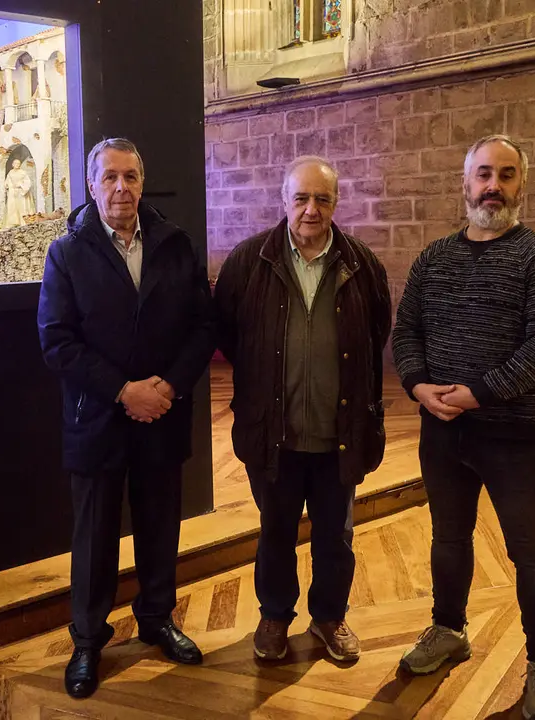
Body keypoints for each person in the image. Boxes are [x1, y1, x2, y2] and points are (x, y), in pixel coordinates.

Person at [391, 134, 535, 720]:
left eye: (506, 175)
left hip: (514, 435)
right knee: (448, 539)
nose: (493, 185)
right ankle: (448, 630)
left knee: (531, 553)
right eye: (483, 174)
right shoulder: (434, 258)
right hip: (443, 430)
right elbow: (406, 330)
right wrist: (418, 385)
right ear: (465, 183)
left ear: (522, 184)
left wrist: (480, 393)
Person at [37, 138, 214, 699]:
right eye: (109, 177)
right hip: (98, 418)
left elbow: (202, 326)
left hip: (161, 413)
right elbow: (57, 341)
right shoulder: (67, 253)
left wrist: (168, 386)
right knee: (94, 538)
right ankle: (88, 641)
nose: (121, 188)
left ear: (143, 182)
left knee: (161, 526)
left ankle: (157, 619)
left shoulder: (175, 244)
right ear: (92, 184)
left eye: (130, 177)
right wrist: (122, 391)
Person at [214, 156, 391, 664]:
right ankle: (274, 615)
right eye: (301, 198)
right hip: (275, 431)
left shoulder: (363, 265)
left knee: (336, 536)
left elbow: (377, 331)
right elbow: (228, 333)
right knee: (276, 532)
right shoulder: (248, 262)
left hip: (340, 432)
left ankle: (330, 617)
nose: (311, 209)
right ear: (284, 200)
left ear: (336, 203)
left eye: (322, 199)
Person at [4, 158, 35, 226]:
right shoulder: (10, 172)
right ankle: (14, 222)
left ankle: (23, 222)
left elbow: (28, 182)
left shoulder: (23, 172)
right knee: (13, 208)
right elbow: (7, 181)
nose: (17, 165)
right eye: (15, 163)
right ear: (13, 164)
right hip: (13, 193)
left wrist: (20, 185)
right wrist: (8, 185)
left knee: (22, 207)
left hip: (21, 192)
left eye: (18, 163)